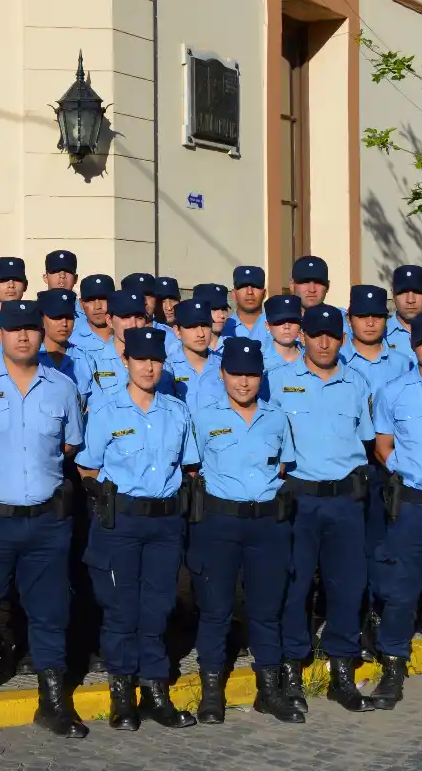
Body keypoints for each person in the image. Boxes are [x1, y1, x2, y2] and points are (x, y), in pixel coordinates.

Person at [0, 300, 88, 743]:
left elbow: (69, 444)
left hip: (45, 522)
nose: (23, 336)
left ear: (41, 333)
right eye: (14, 328)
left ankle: (53, 703)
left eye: (30, 328)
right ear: (0, 334)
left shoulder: (62, 387)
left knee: (50, 612)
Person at [76, 327, 198, 731]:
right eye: (141, 359)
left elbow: (187, 465)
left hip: (165, 521)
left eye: (156, 360)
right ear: (125, 362)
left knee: (158, 607)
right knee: (121, 608)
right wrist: (111, 503)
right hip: (122, 520)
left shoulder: (176, 412)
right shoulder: (106, 410)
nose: (149, 367)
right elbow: (87, 467)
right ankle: (122, 694)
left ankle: (155, 691)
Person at [187, 338, 303, 725]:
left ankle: (268, 692)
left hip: (267, 524)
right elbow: (193, 467)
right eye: (236, 373)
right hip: (219, 523)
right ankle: (211, 693)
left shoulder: (277, 418)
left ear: (261, 377)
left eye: (251, 375)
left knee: (267, 611)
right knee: (215, 610)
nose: (243, 382)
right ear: (222, 374)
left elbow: (283, 466)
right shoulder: (204, 418)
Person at [267, 304, 375, 714]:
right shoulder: (278, 381)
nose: (324, 343)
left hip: (346, 499)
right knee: (294, 585)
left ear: (342, 339)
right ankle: (293, 669)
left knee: (347, 586)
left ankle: (341, 671)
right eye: (316, 335)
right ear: (303, 337)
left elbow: (365, 439)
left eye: (331, 336)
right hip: (300, 498)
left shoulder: (356, 383)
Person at [370, 310, 422, 708]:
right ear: (413, 346)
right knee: (400, 594)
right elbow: (382, 447)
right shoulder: (393, 392)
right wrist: (408, 472)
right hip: (415, 508)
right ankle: (392, 669)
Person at [341, 284, 414, 657]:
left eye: (377, 316)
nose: (370, 323)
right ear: (349, 319)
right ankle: (359, 620)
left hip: (391, 465)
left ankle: (386, 616)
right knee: (353, 550)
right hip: (351, 465)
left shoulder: (402, 362)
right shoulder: (337, 359)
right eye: (362, 316)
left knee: (388, 546)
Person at [36, 289, 99, 409]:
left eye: (69, 317)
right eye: (57, 317)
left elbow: (95, 406)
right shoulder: (31, 359)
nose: (64, 324)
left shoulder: (86, 360)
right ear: (42, 320)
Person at [167, 298, 224, 413]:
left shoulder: (224, 365)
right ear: (177, 331)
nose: (201, 334)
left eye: (205, 325)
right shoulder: (168, 369)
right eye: (192, 327)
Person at [385, 265, 422, 360]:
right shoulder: (378, 334)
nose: (410, 300)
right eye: (403, 292)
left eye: (417, 291)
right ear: (393, 294)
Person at [68, 273, 115, 361]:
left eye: (103, 298)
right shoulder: (71, 340)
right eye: (91, 300)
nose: (97, 306)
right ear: (81, 304)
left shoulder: (126, 336)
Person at [0, 258, 27, 335]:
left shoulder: (38, 320)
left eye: (17, 279)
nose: (11, 285)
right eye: (4, 279)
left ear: (25, 285)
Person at [228, 266, 271, 344]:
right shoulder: (222, 329)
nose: (250, 292)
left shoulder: (277, 327)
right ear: (233, 294)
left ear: (264, 293)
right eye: (243, 287)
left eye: (255, 286)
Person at [263, 295, 304, 373]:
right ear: (267, 326)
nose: (287, 326)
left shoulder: (312, 357)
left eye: (293, 320)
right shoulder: (258, 359)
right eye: (279, 321)